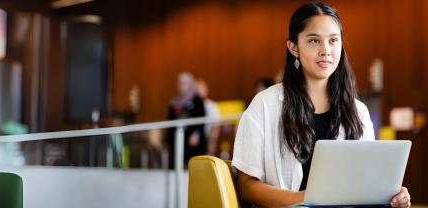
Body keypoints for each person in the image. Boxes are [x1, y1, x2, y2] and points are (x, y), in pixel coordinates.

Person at [231, 2, 411, 207]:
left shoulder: (358, 111)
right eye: (314, 41)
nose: (326, 50)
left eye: (333, 40)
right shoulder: (265, 104)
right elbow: (245, 186)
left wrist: (389, 194)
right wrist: (304, 199)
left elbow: (364, 183)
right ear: (293, 48)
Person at [166, 72, 206, 168]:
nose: (181, 86)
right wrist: (167, 140)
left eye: (184, 83)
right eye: (179, 83)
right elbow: (169, 123)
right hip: (176, 141)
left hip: (192, 143)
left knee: (193, 167)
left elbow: (201, 119)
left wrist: (196, 134)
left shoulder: (197, 100)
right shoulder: (174, 102)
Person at [195, 78, 221, 156]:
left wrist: (212, 140)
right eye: (196, 89)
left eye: (201, 89)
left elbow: (215, 127)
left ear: (206, 90)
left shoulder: (211, 105)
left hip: (207, 139)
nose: (199, 92)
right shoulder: (191, 107)